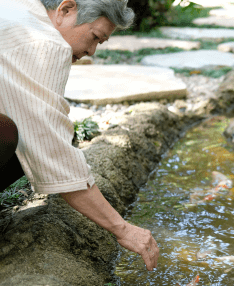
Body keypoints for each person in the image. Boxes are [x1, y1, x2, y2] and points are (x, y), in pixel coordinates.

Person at [0, 0, 159, 271]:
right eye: (94, 37)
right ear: (66, 10)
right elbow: (51, 150)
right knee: (9, 132)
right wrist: (122, 229)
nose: (91, 51)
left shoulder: (16, 8)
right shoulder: (45, 42)